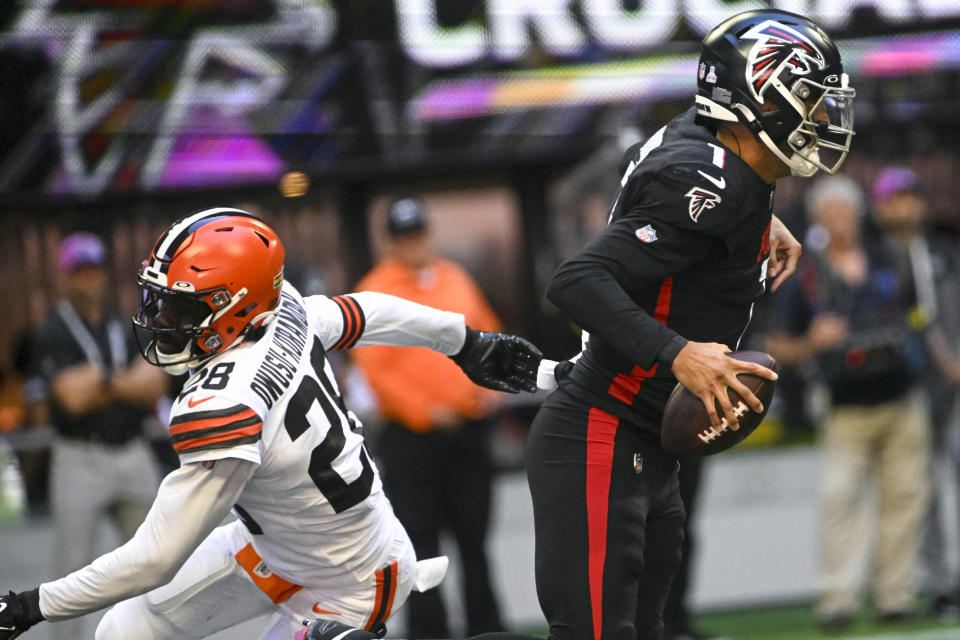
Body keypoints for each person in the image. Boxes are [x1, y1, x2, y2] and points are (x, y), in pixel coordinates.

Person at [465, 10, 850, 640]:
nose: (824, 119)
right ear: (760, 98)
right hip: (599, 430)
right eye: (810, 100)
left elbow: (676, 148)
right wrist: (678, 354)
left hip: (647, 443)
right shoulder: (709, 183)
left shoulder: (720, 147)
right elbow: (575, 281)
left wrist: (753, 225)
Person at [0, 209, 541, 640]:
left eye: (180, 310)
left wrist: (29, 605)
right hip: (274, 545)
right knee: (124, 629)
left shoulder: (225, 404)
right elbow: (366, 312)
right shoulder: (283, 310)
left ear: (233, 309)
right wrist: (468, 341)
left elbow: (153, 560)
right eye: (161, 304)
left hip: (349, 581)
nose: (162, 323)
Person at [766, 175, 930, 630]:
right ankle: (837, 600)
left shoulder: (889, 259)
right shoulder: (806, 278)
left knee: (905, 499)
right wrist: (814, 342)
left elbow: (918, 316)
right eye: (831, 213)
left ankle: (894, 595)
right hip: (844, 405)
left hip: (901, 397)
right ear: (819, 220)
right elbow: (779, 348)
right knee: (839, 501)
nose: (841, 220)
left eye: (847, 211)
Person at [350, 197, 506, 638]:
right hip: (413, 440)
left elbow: (486, 337)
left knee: (475, 542)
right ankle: (429, 633)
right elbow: (375, 370)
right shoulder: (374, 289)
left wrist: (488, 388)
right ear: (390, 242)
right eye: (403, 236)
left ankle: (487, 630)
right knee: (420, 545)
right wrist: (423, 409)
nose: (413, 244)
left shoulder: (454, 277)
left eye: (417, 233)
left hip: (468, 434)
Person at [30, 232, 170, 640]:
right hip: (79, 458)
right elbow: (71, 399)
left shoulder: (122, 323)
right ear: (65, 278)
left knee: (156, 557)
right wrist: (124, 380)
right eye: (80, 273)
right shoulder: (53, 330)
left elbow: (155, 386)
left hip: (132, 452)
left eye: (95, 271)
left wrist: (101, 381)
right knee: (73, 569)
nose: (89, 280)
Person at [869, 166, 960, 617]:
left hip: (955, 386)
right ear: (880, 206)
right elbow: (909, 320)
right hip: (909, 387)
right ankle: (939, 581)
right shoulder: (877, 259)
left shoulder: (944, 250)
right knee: (922, 489)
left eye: (910, 197)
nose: (904, 206)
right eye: (893, 198)